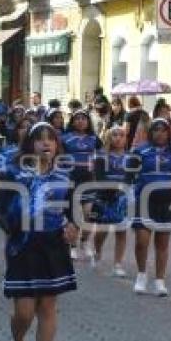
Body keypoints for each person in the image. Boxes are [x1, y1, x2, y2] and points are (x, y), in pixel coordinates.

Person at [0, 122, 78, 341]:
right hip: (22, 246)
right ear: (29, 145)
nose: (46, 144)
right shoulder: (15, 174)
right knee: (24, 312)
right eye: (40, 139)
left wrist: (73, 226)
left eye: (51, 139)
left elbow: (74, 208)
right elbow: (2, 209)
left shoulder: (65, 176)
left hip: (53, 246)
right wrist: (13, 224)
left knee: (47, 306)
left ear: (57, 145)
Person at [131, 117, 171, 296]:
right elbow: (129, 175)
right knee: (141, 241)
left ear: (169, 132)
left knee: (162, 243)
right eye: (156, 130)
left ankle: (160, 281)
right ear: (150, 132)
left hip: (167, 201)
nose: (160, 133)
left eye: (164, 130)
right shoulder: (140, 151)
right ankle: (141, 275)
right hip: (144, 200)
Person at [61, 110, 102, 262]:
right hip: (70, 179)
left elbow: (102, 157)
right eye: (77, 118)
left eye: (83, 118)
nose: (80, 121)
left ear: (88, 121)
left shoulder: (94, 139)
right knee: (72, 215)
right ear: (72, 121)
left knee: (88, 213)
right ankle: (72, 246)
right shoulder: (64, 138)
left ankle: (85, 241)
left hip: (89, 179)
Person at [92, 126, 132, 277]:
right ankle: (97, 252)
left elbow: (130, 177)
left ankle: (117, 264)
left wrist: (123, 191)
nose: (118, 138)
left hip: (122, 198)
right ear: (109, 137)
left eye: (121, 135)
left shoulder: (130, 158)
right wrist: (112, 189)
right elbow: (99, 177)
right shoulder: (101, 156)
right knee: (102, 231)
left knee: (121, 231)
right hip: (104, 196)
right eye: (114, 135)